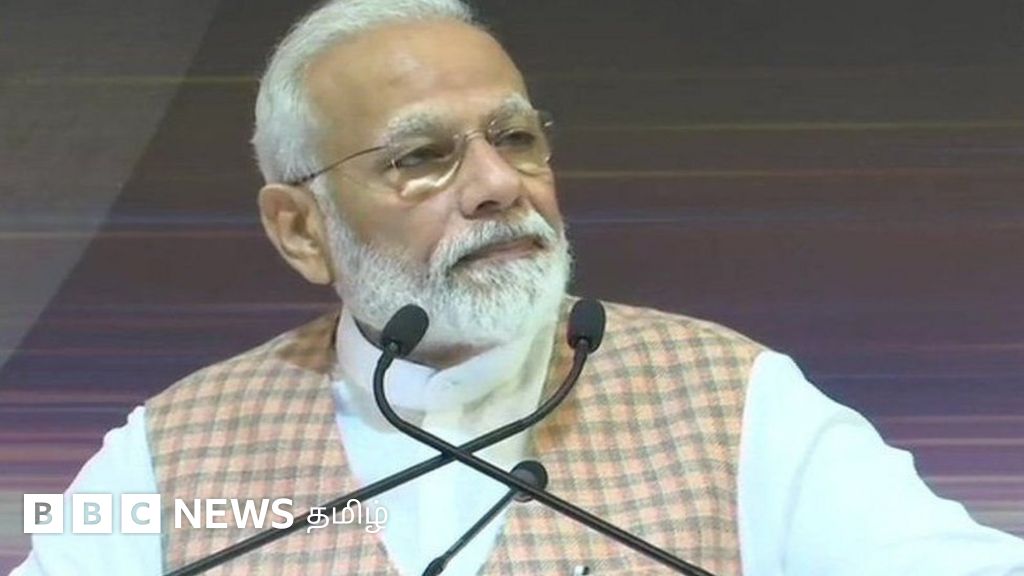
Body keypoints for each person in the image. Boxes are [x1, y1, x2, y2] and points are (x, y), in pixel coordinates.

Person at [12, 0, 1024, 574]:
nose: (499, 186)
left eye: (515, 137)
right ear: (300, 229)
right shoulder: (170, 451)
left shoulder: (736, 403)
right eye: (422, 156)